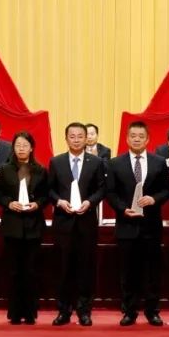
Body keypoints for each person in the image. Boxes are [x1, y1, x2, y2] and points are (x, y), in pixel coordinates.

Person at [106, 121, 169, 326]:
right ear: (127, 138)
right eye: (133, 135)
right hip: (126, 225)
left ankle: (153, 311)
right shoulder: (115, 163)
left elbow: (166, 190)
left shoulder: (159, 162)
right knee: (127, 272)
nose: (136, 139)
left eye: (141, 136)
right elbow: (110, 192)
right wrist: (123, 208)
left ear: (147, 139)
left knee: (152, 271)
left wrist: (154, 199)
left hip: (151, 226)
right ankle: (129, 311)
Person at [48, 122, 108, 326]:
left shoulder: (96, 162)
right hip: (63, 224)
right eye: (72, 136)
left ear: (86, 139)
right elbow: (49, 190)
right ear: (66, 138)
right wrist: (59, 201)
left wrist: (90, 202)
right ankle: (63, 310)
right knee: (63, 268)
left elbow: (102, 189)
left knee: (85, 268)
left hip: (86, 223)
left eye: (80, 136)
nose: (76, 140)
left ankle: (84, 310)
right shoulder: (56, 162)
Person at [0, 131, 48, 324]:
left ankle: (31, 312)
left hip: (33, 226)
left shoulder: (40, 170)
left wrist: (38, 204)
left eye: (25, 145)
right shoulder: (5, 169)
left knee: (31, 271)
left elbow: (46, 195)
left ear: (31, 148)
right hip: (12, 226)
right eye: (18, 145)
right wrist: (9, 203)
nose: (21, 149)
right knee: (14, 271)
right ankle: (15, 313)